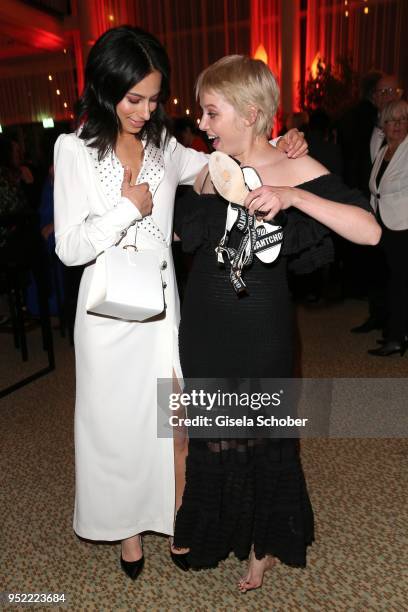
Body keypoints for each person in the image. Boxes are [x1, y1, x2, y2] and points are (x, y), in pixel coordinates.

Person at [53, 26, 306, 580]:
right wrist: (127, 208)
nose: (144, 110)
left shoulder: (168, 149)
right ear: (104, 88)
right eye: (132, 98)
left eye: (153, 97)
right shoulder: (72, 148)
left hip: (163, 314)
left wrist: (282, 145)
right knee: (115, 427)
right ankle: (127, 533)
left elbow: (230, 168)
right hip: (104, 318)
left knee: (175, 424)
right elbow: (69, 248)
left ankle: (177, 519)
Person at [172, 55, 381, 592]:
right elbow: (179, 237)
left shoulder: (298, 167)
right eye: (202, 112)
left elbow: (370, 231)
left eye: (212, 112)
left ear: (249, 112)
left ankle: (263, 547)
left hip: (262, 328)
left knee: (264, 438)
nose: (202, 123)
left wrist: (293, 196)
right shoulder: (206, 169)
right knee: (214, 433)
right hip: (204, 325)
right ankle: (218, 527)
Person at [367, 100, 408, 357]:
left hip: (404, 226)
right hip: (383, 223)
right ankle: (396, 331)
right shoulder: (384, 150)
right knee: (392, 281)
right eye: (392, 120)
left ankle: (397, 337)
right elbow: (377, 189)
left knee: (400, 283)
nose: (398, 125)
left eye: (403, 120)